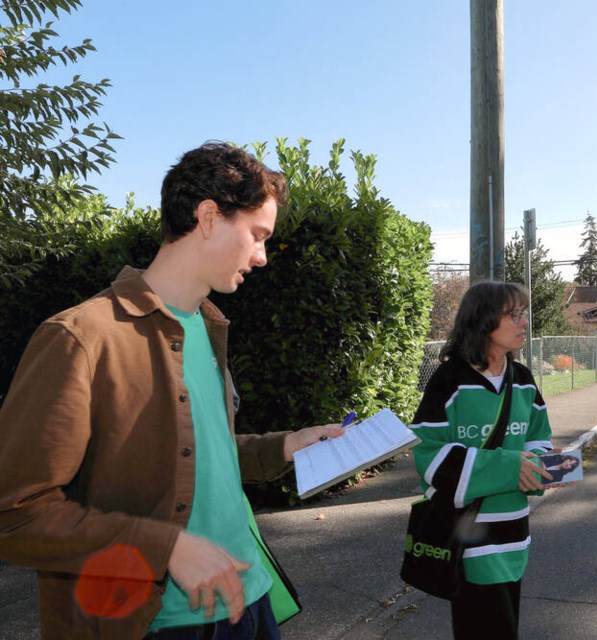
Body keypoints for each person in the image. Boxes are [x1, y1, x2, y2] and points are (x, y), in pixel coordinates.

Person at [0, 142, 345, 639]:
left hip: (252, 603)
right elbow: (15, 513)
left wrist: (283, 447)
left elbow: (193, 457)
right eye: (256, 235)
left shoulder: (209, 327)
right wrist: (164, 547)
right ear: (207, 216)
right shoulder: (79, 338)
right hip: (160, 625)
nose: (262, 256)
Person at [410, 281, 560, 640]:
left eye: (524, 314)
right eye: (513, 315)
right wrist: (511, 467)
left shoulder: (522, 379)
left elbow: (539, 438)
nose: (524, 323)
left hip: (515, 535)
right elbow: (429, 455)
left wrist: (542, 467)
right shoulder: (449, 380)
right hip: (469, 539)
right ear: (483, 320)